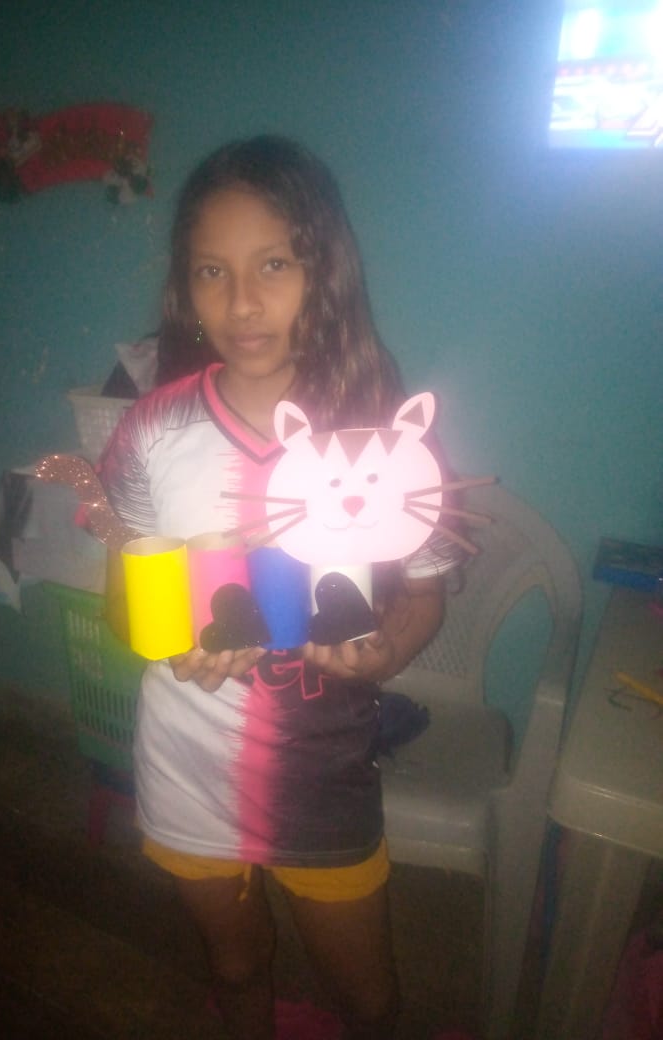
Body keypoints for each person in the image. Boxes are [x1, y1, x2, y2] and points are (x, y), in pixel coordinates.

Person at [97, 135, 463, 1040]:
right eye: (211, 271)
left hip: (323, 770)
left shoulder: (384, 440)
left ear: (323, 270)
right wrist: (168, 641)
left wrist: (385, 650)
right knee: (233, 962)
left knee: (368, 996)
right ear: (186, 285)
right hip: (185, 762)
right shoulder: (151, 430)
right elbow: (121, 594)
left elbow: (424, 593)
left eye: (273, 264)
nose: (242, 302)